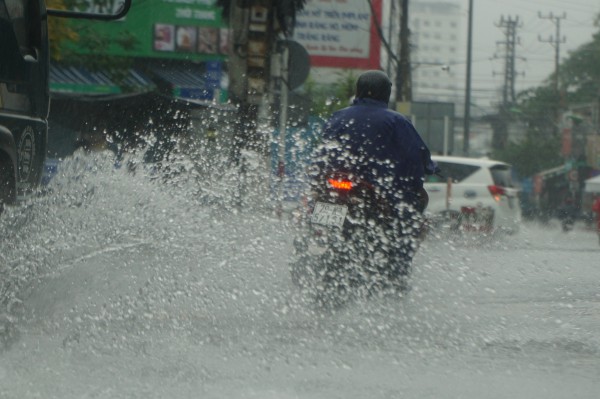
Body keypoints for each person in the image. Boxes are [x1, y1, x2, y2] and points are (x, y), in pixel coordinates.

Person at [311, 70, 436, 280]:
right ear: (386, 94)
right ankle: (396, 269)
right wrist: (426, 169)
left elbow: (322, 151)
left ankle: (311, 247)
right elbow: (415, 155)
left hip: (333, 186)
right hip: (374, 191)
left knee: (312, 212)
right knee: (407, 217)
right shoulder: (397, 121)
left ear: (357, 91)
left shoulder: (337, 116)